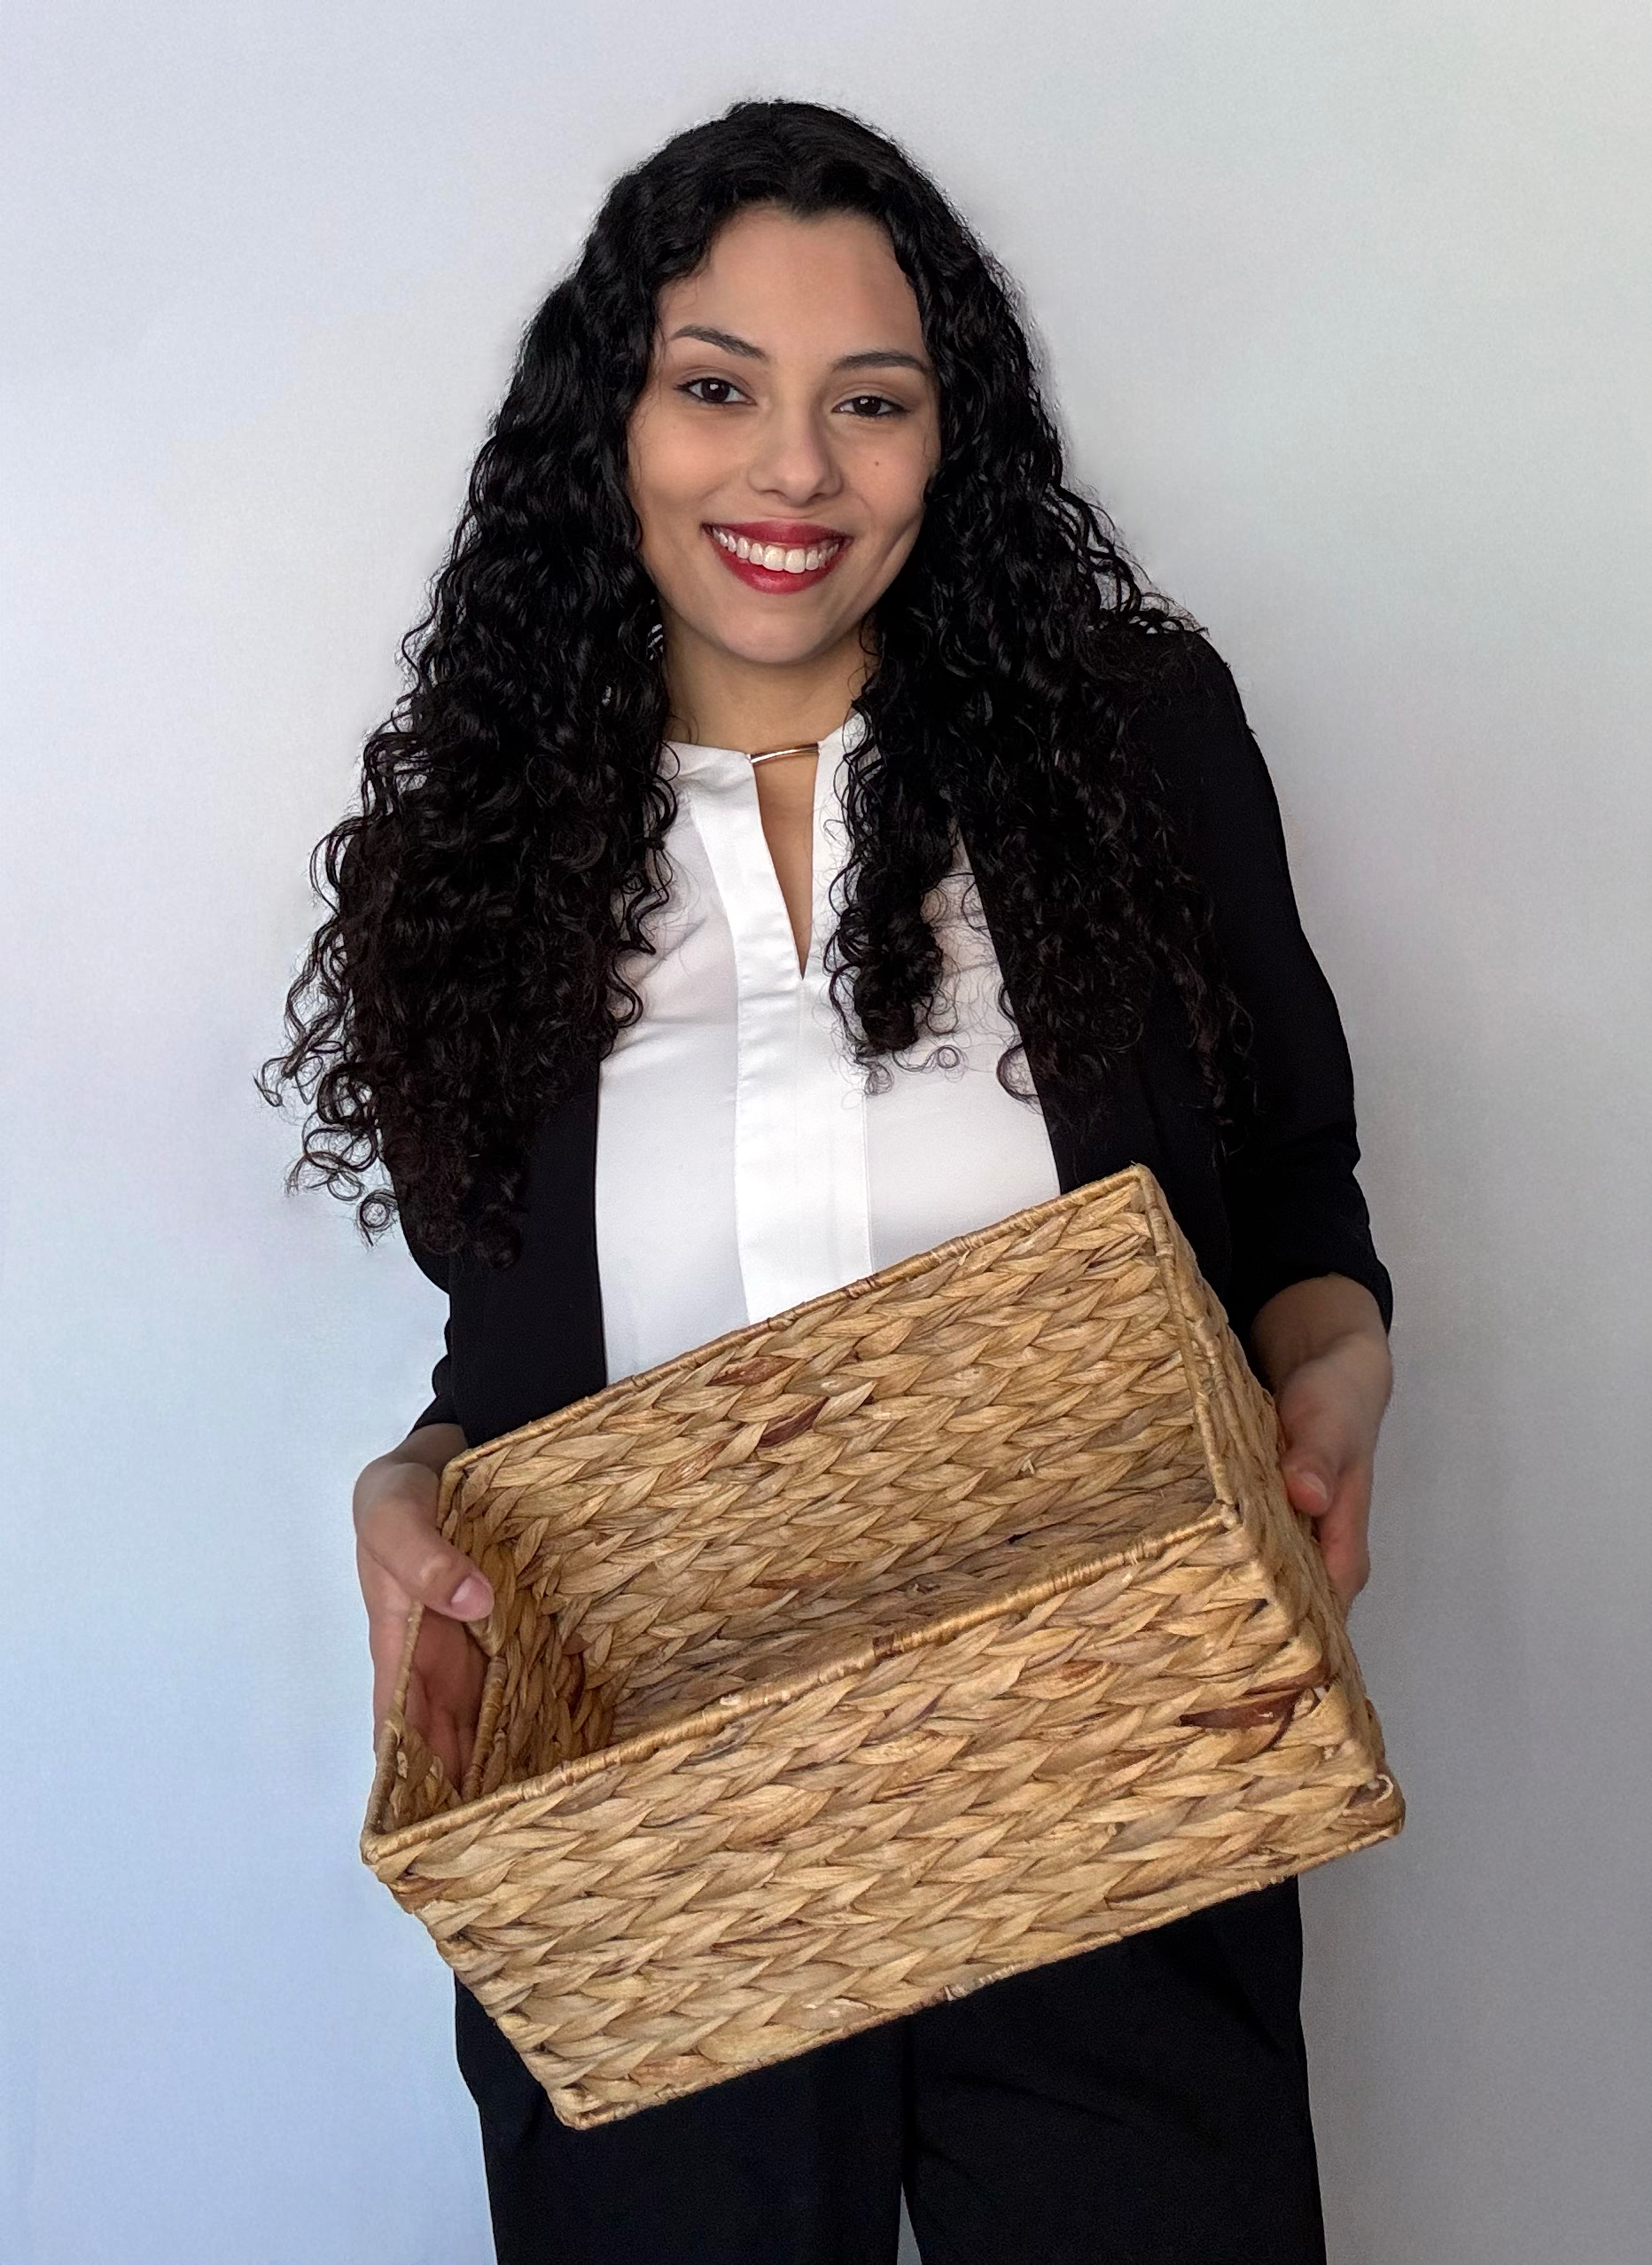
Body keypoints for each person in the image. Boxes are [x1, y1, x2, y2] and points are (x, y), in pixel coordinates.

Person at [267, 97, 1393, 2265]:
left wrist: (1331, 1365)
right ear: (612, 421)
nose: (791, 470)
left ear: (940, 443)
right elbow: (496, 1356)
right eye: (717, 389)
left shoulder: (1123, 741)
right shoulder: (473, 860)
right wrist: (408, 1481)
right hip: (650, 1864)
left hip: (1109, 1782)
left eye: (866, 403)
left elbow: (1295, 1194)